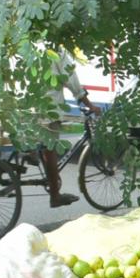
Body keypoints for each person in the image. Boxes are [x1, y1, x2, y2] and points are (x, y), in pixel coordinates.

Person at [42, 49, 100, 208]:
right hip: (48, 109)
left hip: (26, 108)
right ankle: (55, 195)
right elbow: (71, 80)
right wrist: (89, 104)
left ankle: (33, 156)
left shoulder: (23, 42)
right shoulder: (54, 50)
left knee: (40, 143)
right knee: (51, 148)